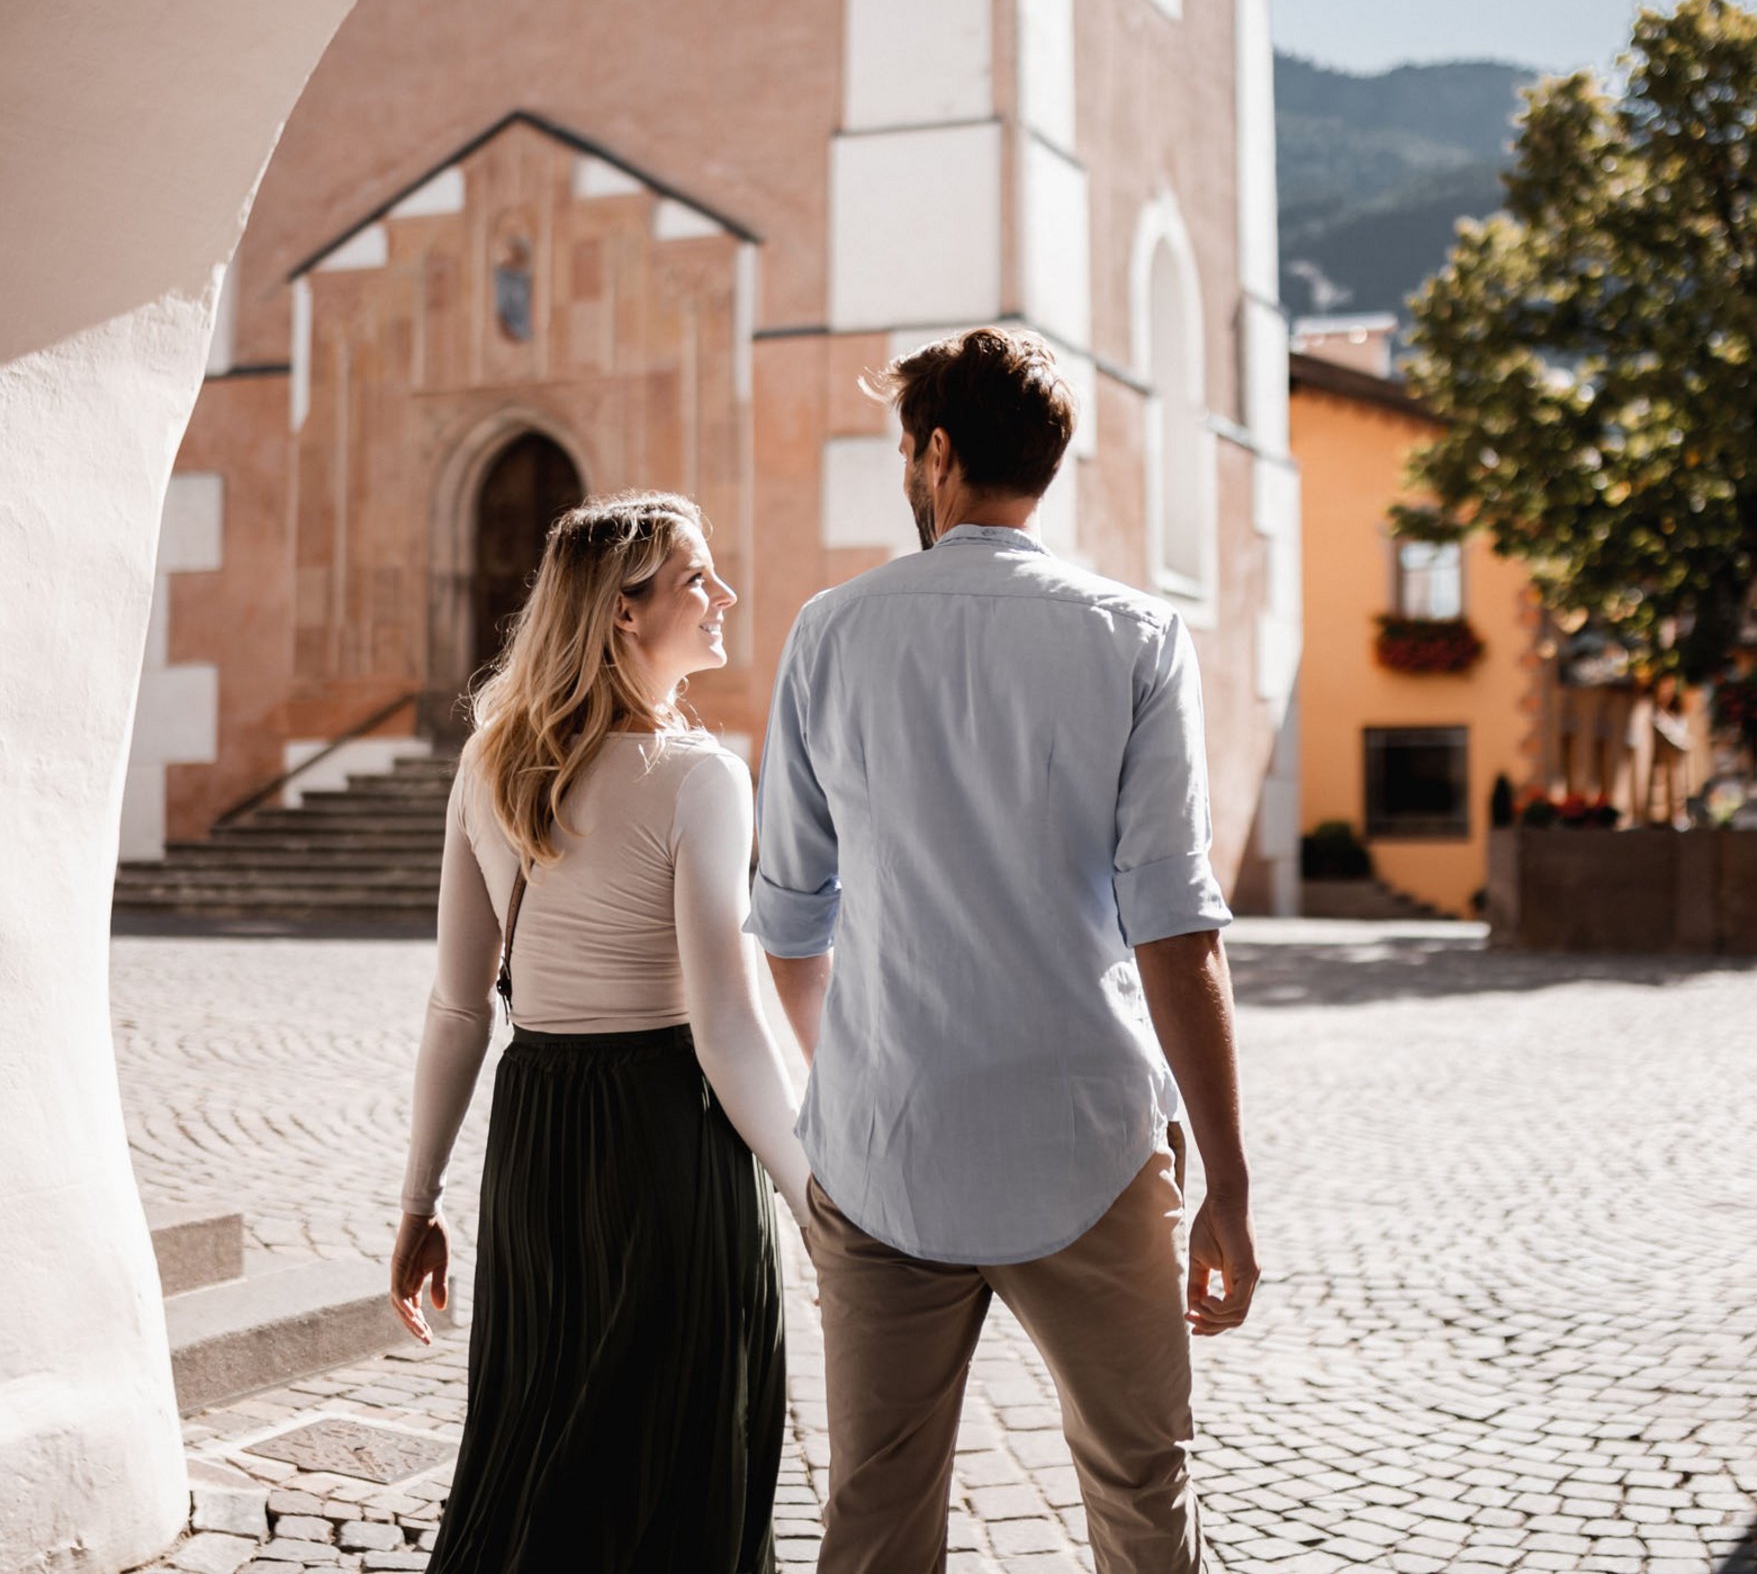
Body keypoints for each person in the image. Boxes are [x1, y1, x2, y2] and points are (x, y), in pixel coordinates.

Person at [750, 326, 1260, 1573]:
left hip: (884, 1153)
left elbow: (790, 915)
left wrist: (852, 1076)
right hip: (1083, 1143)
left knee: (873, 1510)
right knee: (1145, 1489)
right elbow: (1176, 930)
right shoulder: (1135, 636)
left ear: (935, 451)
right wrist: (1231, 1191)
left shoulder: (829, 630)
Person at [390, 490, 811, 1574]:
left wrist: (419, 1202)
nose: (723, 595)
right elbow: (724, 1022)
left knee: (531, 1452)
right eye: (694, 578)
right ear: (625, 613)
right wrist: (816, 1196)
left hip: (536, 1143)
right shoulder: (699, 778)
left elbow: (456, 1007)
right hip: (673, 1142)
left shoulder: (488, 765)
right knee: (684, 1471)